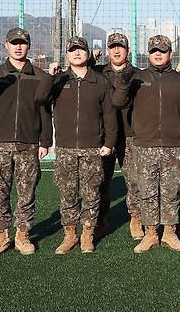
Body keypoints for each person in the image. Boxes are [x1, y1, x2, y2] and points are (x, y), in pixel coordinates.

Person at [0, 27, 53, 258]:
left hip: (29, 143)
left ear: (29, 46)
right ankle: (2, 236)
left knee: (27, 192)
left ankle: (23, 235)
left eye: (22, 43)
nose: (18, 47)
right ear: (6, 45)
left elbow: (44, 109)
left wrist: (45, 140)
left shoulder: (38, 75)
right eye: (14, 43)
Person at [113, 35, 180, 254]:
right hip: (144, 146)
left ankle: (170, 233)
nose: (158, 54)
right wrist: (124, 83)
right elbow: (118, 102)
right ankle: (151, 233)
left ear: (170, 53)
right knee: (147, 192)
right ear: (148, 54)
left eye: (162, 50)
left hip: (174, 147)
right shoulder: (137, 78)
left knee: (172, 191)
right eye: (154, 51)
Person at [49, 36, 118, 254]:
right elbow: (40, 101)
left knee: (91, 193)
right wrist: (49, 78)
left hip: (92, 147)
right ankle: (70, 234)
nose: (77, 53)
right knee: (67, 193)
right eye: (72, 50)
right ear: (67, 55)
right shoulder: (58, 81)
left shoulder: (100, 81)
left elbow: (109, 115)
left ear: (88, 54)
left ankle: (87, 234)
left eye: (81, 50)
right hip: (66, 147)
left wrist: (109, 142)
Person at [91, 33, 143, 241]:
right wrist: (89, 60)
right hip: (104, 136)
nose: (116, 50)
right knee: (100, 180)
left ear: (127, 50)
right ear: (107, 50)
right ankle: (101, 220)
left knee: (134, 180)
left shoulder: (138, 75)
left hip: (130, 135)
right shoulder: (98, 73)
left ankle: (136, 219)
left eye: (120, 47)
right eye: (112, 47)